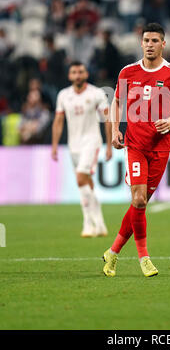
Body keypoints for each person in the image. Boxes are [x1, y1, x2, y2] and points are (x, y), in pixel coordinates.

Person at [102, 22, 170, 278]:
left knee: (138, 205)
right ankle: (144, 258)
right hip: (135, 146)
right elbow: (117, 101)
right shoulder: (128, 72)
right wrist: (115, 131)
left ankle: (112, 253)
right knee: (139, 200)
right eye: (146, 40)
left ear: (163, 44)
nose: (150, 45)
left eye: (155, 41)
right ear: (141, 43)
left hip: (161, 148)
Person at [51, 61, 112, 238]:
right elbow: (58, 121)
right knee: (86, 183)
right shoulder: (63, 95)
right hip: (73, 145)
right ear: (70, 76)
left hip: (91, 142)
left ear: (86, 74)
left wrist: (109, 145)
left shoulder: (97, 93)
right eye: (74, 72)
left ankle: (88, 223)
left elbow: (107, 119)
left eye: (81, 72)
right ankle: (100, 224)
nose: (78, 75)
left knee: (80, 178)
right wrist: (55, 145)